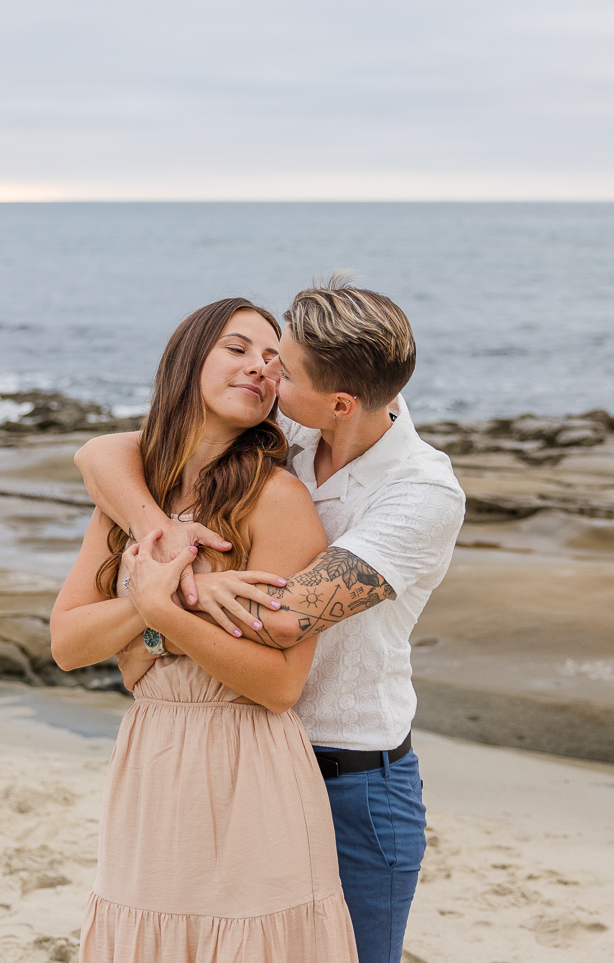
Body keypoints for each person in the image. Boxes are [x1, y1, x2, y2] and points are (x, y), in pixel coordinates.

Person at [76, 276, 466, 963]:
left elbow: (283, 622)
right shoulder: (289, 422)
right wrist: (163, 533)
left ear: (338, 403)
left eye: (281, 368)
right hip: (231, 755)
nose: (266, 372)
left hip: (351, 776)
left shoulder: (420, 495)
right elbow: (101, 454)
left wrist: (160, 600)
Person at [51, 298, 358, 963]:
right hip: (151, 757)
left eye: (274, 360)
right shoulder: (135, 496)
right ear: (188, 360)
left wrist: (161, 615)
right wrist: (156, 598)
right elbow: (69, 644)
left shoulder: (273, 497)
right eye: (238, 348)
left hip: (249, 764)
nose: (260, 367)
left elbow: (278, 687)